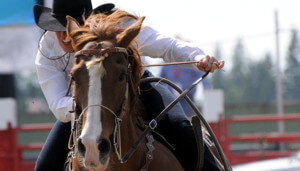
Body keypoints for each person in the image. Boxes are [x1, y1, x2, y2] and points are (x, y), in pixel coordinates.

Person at [33, 0, 224, 170]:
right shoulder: (47, 50)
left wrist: (196, 58)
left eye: (74, 28)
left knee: (181, 129)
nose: (66, 37)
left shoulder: (116, 27)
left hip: (135, 83)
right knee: (44, 166)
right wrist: (92, 103)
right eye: (60, 29)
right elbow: (58, 104)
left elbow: (165, 45)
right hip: (79, 105)